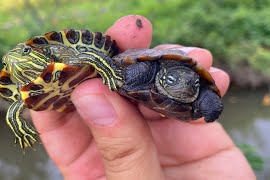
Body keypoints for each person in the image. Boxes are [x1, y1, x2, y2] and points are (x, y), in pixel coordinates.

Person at [30, 15, 255, 179]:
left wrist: (208, 104)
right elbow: (125, 70)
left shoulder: (198, 93)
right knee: (121, 74)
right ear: (164, 76)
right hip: (146, 76)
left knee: (206, 94)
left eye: (192, 83)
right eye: (174, 81)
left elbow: (209, 99)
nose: (186, 85)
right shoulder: (147, 71)